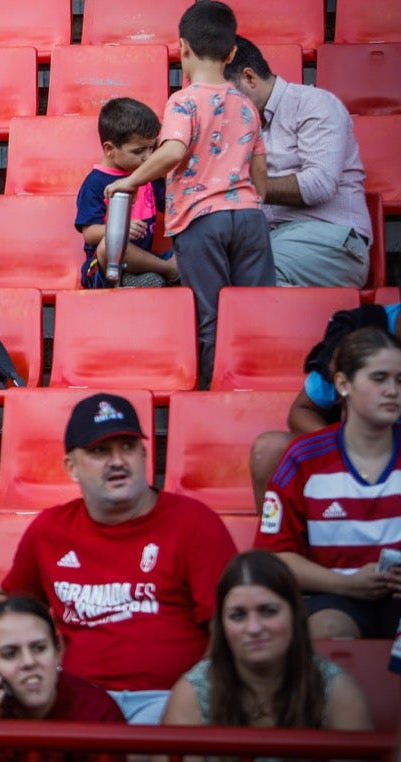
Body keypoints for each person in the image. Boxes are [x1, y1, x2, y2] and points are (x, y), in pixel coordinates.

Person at [0, 393, 237, 723]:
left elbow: (230, 630)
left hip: (168, 703)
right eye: (100, 451)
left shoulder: (196, 523)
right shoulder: (48, 531)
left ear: (144, 455)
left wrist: (192, 697)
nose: (117, 461)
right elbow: (8, 609)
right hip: (74, 701)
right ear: (71, 467)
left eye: (127, 447)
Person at [106, 0, 273, 388]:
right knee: (255, 312)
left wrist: (131, 181)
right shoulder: (247, 104)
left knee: (210, 314)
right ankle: (254, 389)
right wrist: (254, 204)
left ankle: (218, 393)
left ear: (181, 47)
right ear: (232, 53)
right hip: (249, 219)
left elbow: (174, 150)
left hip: (202, 222)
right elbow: (260, 168)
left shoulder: (183, 100)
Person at [257, 327, 401, 641]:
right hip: (333, 596)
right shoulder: (303, 458)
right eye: (379, 378)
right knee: (329, 634)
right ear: (343, 384)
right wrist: (348, 584)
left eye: (399, 380)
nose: (392, 390)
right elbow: (274, 558)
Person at [162, 550, 372, 743]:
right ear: (221, 625)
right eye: (238, 615)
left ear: (295, 615)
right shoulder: (192, 696)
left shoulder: (336, 692)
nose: (254, 628)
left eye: (268, 611)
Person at [223, 37, 371, 289]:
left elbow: (319, 185)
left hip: (330, 239)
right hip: (270, 240)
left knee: (254, 276)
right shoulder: (235, 127)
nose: (218, 108)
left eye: (222, 97)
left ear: (249, 78)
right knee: (201, 271)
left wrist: (237, 188)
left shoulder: (313, 103)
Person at [249, 298, 399, 508]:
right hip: (349, 451)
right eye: (379, 378)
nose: (392, 389)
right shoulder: (361, 329)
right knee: (269, 449)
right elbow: (302, 410)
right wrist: (340, 446)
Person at [0, 596, 125, 762]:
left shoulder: (99, 714)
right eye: (10, 654)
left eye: (39, 648)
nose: (29, 662)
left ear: (58, 650)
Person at [73, 97, 179, 289]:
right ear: (110, 149)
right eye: (139, 151)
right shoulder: (95, 183)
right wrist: (119, 229)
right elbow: (89, 233)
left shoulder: (148, 174)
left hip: (143, 259)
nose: (148, 157)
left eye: (152, 148)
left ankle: (142, 278)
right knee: (109, 244)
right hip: (103, 266)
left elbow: (172, 205)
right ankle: (167, 270)